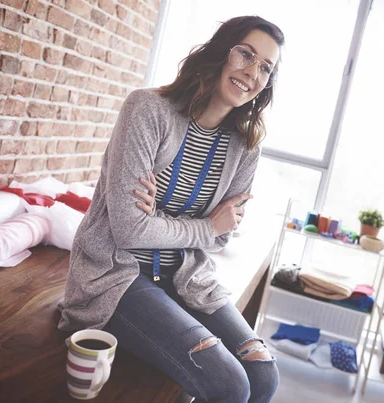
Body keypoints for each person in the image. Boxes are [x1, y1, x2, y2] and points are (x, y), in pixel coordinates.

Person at [58, 16, 284, 403]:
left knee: (263, 375)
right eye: (245, 54)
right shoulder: (148, 110)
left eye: (265, 67)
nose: (252, 71)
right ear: (220, 52)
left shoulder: (245, 146)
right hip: (117, 277)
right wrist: (204, 225)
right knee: (229, 384)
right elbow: (129, 231)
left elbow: (223, 234)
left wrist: (164, 222)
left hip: (186, 276)